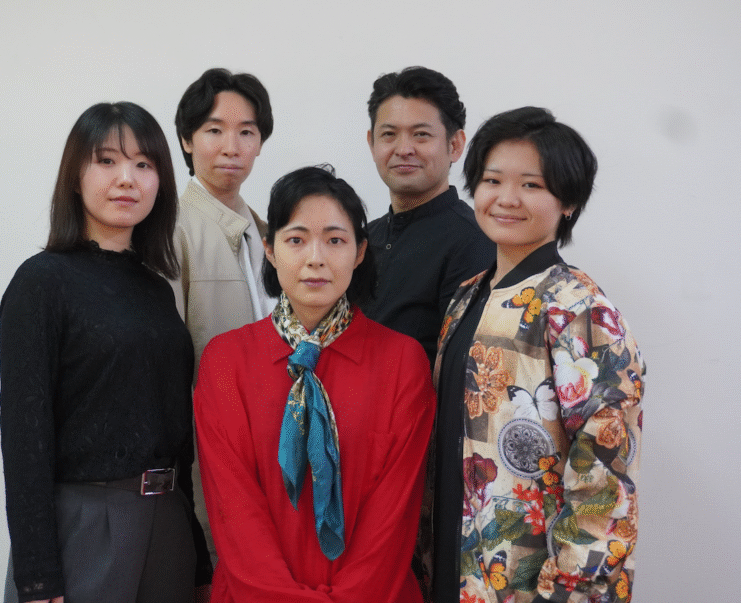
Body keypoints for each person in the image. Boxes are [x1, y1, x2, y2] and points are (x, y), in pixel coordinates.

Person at [430, 107, 644, 602]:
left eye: (531, 185)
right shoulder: (467, 296)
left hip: (531, 584)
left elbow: (604, 478)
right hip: (452, 563)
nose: (506, 198)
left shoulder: (579, 309)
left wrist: (570, 590)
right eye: (492, 180)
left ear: (568, 201)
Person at [194, 166, 436, 602]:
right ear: (269, 250)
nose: (316, 258)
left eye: (335, 240)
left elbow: (394, 519)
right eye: (296, 239)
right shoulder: (225, 361)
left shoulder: (403, 362)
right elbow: (233, 511)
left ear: (360, 252)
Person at [0, 102, 211, 603]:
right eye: (107, 161)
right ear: (75, 177)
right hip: (87, 525)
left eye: (144, 164)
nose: (127, 179)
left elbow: (176, 426)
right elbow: (25, 436)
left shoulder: (156, 288)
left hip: (168, 524)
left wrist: (197, 552)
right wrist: (36, 576)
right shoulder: (42, 281)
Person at [170, 68, 276, 567]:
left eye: (246, 132)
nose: (232, 147)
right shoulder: (171, 229)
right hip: (207, 450)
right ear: (187, 140)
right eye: (214, 130)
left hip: (272, 448)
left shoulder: (269, 232)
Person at [361, 66, 495, 367]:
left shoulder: (475, 241)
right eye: (389, 134)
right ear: (372, 143)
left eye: (421, 135)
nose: (404, 149)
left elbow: (464, 368)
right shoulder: (361, 239)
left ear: (455, 145)